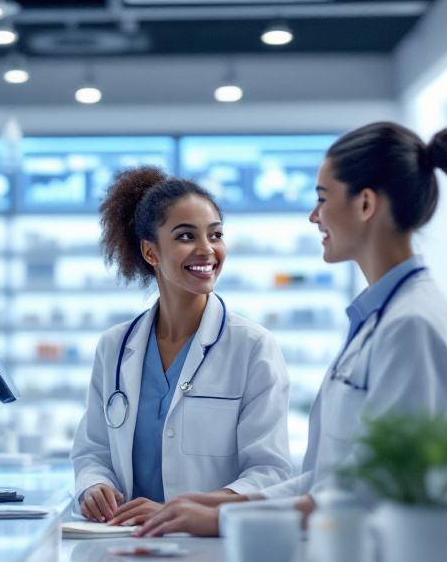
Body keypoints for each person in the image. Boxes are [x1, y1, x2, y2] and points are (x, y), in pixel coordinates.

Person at [134, 123, 447, 537]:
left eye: (322, 199)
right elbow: (328, 479)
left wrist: (225, 519)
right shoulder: (381, 320)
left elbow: (375, 487)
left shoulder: (414, 325)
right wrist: (224, 502)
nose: (314, 216)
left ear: (365, 204)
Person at [72, 166, 293, 524]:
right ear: (150, 252)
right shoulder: (114, 347)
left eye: (216, 235)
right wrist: (93, 485)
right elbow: (93, 451)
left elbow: (269, 472)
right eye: (186, 236)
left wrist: (182, 511)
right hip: (123, 544)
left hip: (210, 553)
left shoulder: (252, 347)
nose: (207, 250)